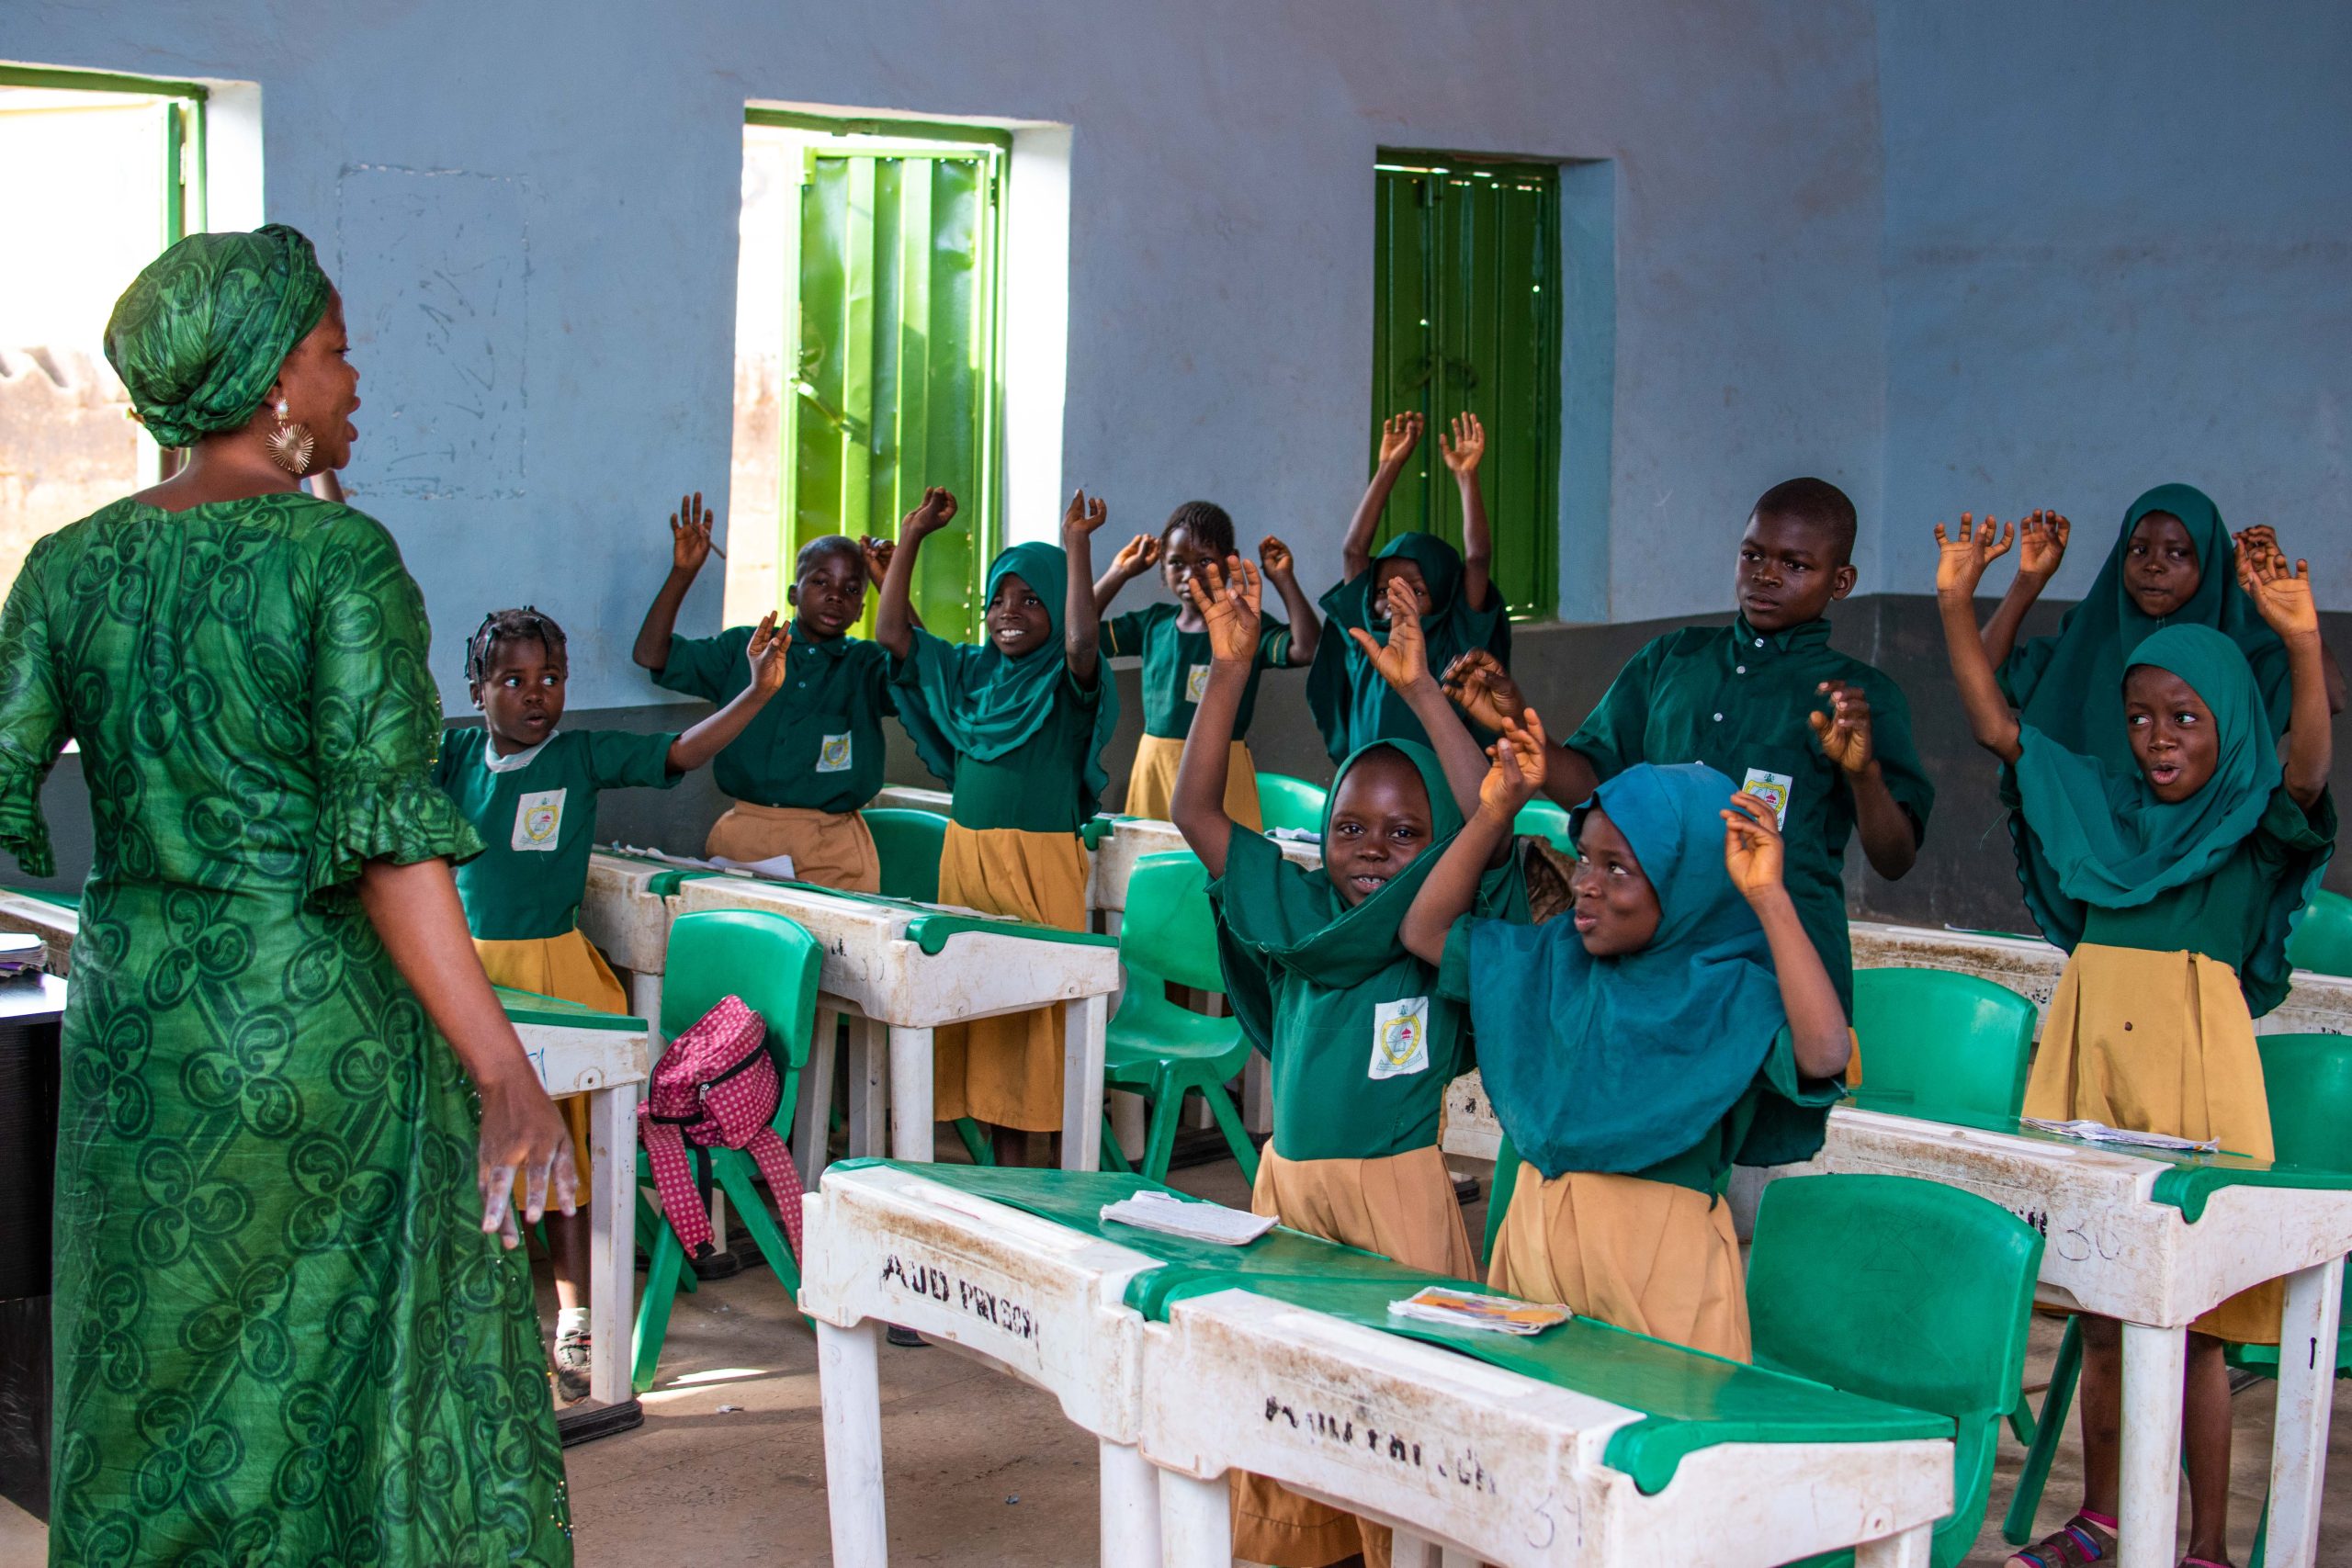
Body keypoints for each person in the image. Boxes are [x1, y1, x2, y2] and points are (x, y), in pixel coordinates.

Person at [0, 226, 574, 1562]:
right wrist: (501, 1065)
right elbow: (387, 843)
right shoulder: (337, 561)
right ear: (271, 381)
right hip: (313, 1031)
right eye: (333, 350)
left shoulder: (66, 566)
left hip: (139, 1040)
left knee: (156, 1371)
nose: (353, 376)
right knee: (333, 1370)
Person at [1936, 516, 2335, 1568]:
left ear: (2229, 727)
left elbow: (2304, 775)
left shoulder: (2251, 824)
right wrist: (1956, 602)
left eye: (2185, 720)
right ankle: (2101, 1520)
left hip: (2192, 1081)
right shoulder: (2106, 808)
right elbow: (1998, 730)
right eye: (2141, 718)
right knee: (2099, 1318)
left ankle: (2201, 1545)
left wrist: (2301, 644)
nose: (2158, 740)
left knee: (2194, 1330)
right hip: (2091, 1070)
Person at [1174, 558, 1519, 1568]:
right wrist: (1230, 671)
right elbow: (1198, 814)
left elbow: (1488, 840)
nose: (1374, 846)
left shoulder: (1435, 936)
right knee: (1288, 1394)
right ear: (1318, 834)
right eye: (1350, 826)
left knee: (1397, 1408)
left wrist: (1421, 692)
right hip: (1286, 1190)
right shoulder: (1299, 912)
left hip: (1399, 1206)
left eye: (1407, 833)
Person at [435, 603, 786, 1400]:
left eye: (551, 679)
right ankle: (466, 1314)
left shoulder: (580, 757)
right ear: (475, 687)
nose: (536, 696)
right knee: (465, 1151)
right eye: (513, 680)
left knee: (564, 1158)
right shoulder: (452, 756)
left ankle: (573, 1317)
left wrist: (756, 693)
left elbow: (678, 751)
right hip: (471, 980)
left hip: (554, 977)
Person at [1402, 734, 1849, 1359]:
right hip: (1533, 1240)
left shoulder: (1727, 989)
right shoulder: (1553, 957)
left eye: (1618, 868)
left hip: (1658, 1267)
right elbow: (1424, 929)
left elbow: (1826, 1053)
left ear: (1688, 880)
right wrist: (1493, 813)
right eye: (1583, 856)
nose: (1585, 883)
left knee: (1648, 1436)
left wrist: (1768, 896)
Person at [1444, 476, 1932, 1013]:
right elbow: (1596, 786)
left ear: (1841, 581)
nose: (1766, 575)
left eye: (1795, 565)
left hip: (1779, 968)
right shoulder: (1674, 659)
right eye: (1753, 555)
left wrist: (1863, 775)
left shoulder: (1861, 698)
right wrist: (1514, 719)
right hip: (1656, 954)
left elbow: (1894, 858)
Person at [876, 487, 1117, 1160]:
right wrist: (913, 535)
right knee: (976, 1006)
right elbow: (894, 636)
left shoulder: (1067, 681)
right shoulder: (968, 675)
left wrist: (1077, 545)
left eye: (1029, 599)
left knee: (1031, 1016)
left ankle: (1031, 1171)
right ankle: (994, 1165)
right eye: (997, 600)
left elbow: (1079, 639)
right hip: (968, 863)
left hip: (1038, 869)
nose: (1009, 614)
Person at [632, 491, 901, 890]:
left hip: (831, 844)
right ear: (794, 593)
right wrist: (683, 573)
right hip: (744, 834)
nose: (834, 596)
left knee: (836, 949)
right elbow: (651, 654)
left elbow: (922, 673)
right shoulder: (748, 647)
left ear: (863, 607)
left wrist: (893, 584)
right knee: (742, 946)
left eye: (851, 590)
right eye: (821, 582)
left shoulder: (866, 665)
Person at [1091, 500, 1320, 825]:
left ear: (1230, 563)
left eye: (1204, 561)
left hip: (1222, 769)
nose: (1190, 575)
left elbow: (1306, 648)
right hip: (1155, 766)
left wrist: (1283, 580)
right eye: (1176, 563)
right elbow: (1081, 637)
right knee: (1152, 863)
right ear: (1161, 568)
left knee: (1222, 863)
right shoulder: (1153, 624)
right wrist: (1119, 573)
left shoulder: (1245, 625)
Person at [1306, 412, 1510, 761]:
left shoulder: (1453, 642)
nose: (1395, 599)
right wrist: (1388, 467)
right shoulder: (1366, 638)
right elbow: (1354, 552)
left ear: (1444, 600)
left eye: (1416, 590)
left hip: (1436, 793)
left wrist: (1466, 477)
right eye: (1384, 590)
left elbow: (1477, 558)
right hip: (1367, 788)